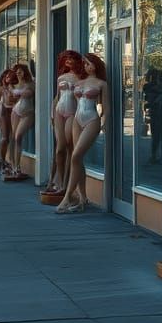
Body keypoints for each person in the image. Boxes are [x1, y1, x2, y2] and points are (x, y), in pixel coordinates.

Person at [57, 53, 108, 213]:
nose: (88, 66)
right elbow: (65, 98)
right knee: (78, 159)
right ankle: (82, 198)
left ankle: (67, 198)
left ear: (97, 65)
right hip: (77, 120)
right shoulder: (80, 82)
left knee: (76, 156)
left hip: (92, 119)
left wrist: (104, 123)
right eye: (85, 64)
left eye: (91, 63)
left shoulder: (102, 84)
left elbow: (106, 108)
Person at [46, 50, 83, 194]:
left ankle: (65, 184)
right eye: (66, 58)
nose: (69, 61)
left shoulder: (81, 78)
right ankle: (59, 180)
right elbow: (57, 96)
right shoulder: (61, 77)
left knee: (68, 146)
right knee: (59, 148)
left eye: (72, 58)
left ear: (77, 61)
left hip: (72, 113)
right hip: (59, 111)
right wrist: (51, 113)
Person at [5, 63, 35, 180]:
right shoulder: (14, 85)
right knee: (13, 137)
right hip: (16, 112)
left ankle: (16, 166)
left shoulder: (31, 84)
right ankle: (14, 166)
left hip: (28, 113)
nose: (19, 73)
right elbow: (9, 100)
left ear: (25, 72)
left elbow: (28, 93)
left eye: (21, 71)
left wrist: (15, 92)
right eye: (17, 72)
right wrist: (11, 91)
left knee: (18, 136)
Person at [0, 68, 17, 167]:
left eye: (10, 76)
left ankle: (11, 160)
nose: (8, 78)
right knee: (5, 137)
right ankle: (2, 160)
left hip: (14, 112)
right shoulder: (0, 90)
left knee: (13, 137)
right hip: (3, 112)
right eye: (6, 76)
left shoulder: (14, 88)